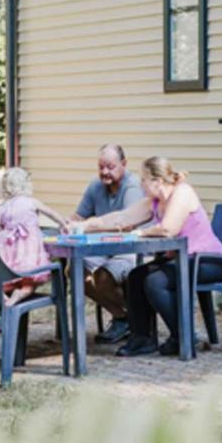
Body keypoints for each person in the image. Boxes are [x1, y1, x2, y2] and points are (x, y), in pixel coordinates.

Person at [77, 156, 222, 357]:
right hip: (180, 260)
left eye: (144, 180)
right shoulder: (155, 202)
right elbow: (122, 217)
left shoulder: (182, 192)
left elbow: (168, 229)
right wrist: (84, 225)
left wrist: (141, 232)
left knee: (155, 281)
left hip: (208, 261)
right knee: (136, 277)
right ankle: (142, 339)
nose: (141, 185)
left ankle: (184, 336)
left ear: (157, 181)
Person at [0, 167, 68, 356]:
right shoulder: (31, 202)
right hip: (28, 254)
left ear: (6, 188)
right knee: (30, 281)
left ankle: (4, 298)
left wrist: (7, 229)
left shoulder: (5, 207)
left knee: (7, 280)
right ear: (27, 185)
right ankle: (19, 296)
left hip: (8, 254)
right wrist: (64, 224)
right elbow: (52, 214)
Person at [65, 144, 145, 344]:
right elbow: (79, 216)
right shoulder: (96, 186)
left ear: (124, 164)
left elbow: (127, 224)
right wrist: (68, 224)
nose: (104, 172)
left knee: (103, 276)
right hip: (103, 249)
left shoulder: (132, 186)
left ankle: (136, 320)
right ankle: (124, 317)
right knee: (74, 270)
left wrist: (88, 227)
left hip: (131, 249)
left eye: (110, 167)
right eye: (101, 167)